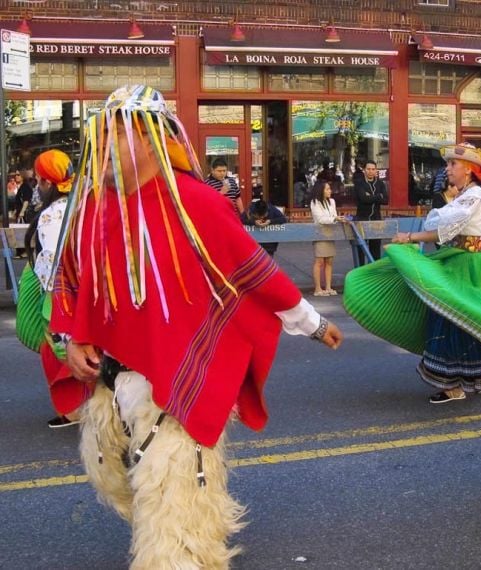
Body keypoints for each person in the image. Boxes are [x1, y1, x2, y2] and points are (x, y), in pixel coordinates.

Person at [50, 85, 343, 569]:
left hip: (175, 378)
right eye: (98, 143)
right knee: (118, 482)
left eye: (113, 141)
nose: (101, 155)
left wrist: (310, 322)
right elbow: (73, 277)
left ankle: (185, 554)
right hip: (110, 374)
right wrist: (72, 338)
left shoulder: (196, 203)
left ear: (149, 138)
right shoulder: (94, 208)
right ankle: (200, 533)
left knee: (172, 495)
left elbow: (250, 272)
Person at [343, 143, 481, 404]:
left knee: (454, 315)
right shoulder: (467, 195)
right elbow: (448, 228)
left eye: (452, 165)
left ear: (468, 170)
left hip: (466, 262)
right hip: (461, 258)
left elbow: (446, 229)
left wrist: (409, 236)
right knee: (458, 316)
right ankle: (470, 378)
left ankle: (455, 384)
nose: (448, 169)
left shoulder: (475, 196)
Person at [16, 150, 83, 429]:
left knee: (58, 351)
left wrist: (48, 292)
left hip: (62, 295)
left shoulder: (53, 214)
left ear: (44, 182)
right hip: (83, 291)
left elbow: (53, 262)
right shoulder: (82, 204)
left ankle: (75, 410)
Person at [310, 180, 344, 296]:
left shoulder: (332, 202)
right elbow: (320, 219)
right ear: (321, 190)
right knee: (319, 261)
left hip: (330, 232)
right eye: (327, 189)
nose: (330, 191)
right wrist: (334, 219)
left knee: (329, 260)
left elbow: (333, 215)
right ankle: (318, 289)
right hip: (320, 233)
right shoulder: (315, 202)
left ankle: (328, 287)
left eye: (330, 189)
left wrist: (338, 218)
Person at [353, 160, 389, 264]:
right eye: (368, 169)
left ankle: (374, 272)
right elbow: (363, 199)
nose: (370, 171)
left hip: (376, 219)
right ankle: (361, 271)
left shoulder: (380, 184)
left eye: (373, 169)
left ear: (376, 170)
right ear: (364, 170)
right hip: (362, 219)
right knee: (361, 248)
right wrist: (378, 196)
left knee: (375, 248)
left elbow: (386, 200)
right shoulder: (359, 183)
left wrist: (371, 196)